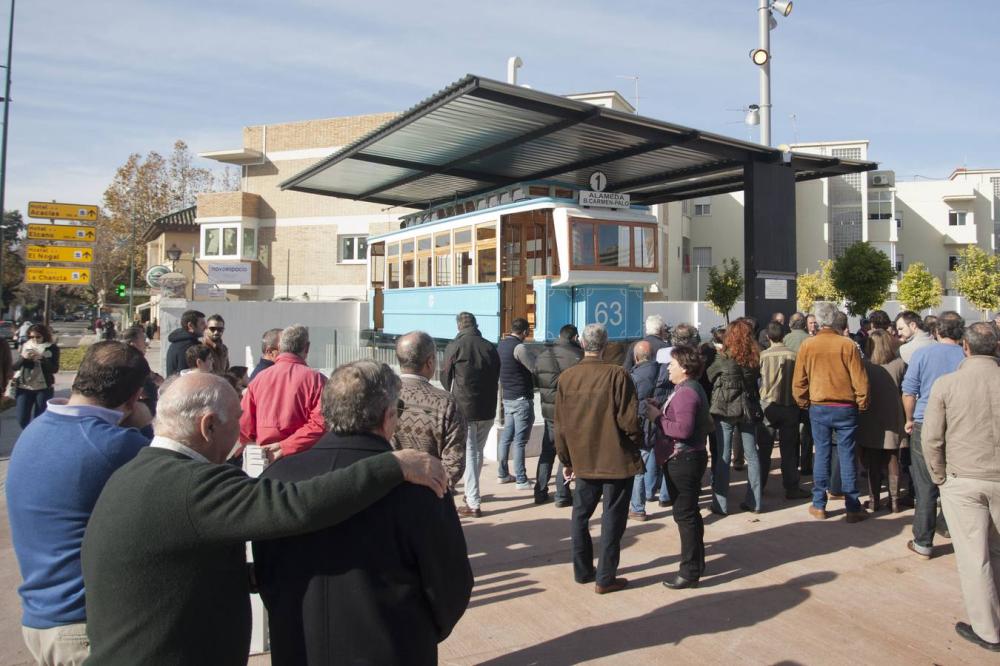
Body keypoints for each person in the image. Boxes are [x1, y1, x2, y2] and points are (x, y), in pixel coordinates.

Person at [80, 372, 449, 665]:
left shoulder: (136, 473)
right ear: (208, 426)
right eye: (238, 421)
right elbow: (297, 505)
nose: (242, 433)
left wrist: (254, 577)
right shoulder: (194, 485)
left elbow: (170, 566)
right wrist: (391, 465)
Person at [254, 360, 473, 665]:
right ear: (389, 416)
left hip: (299, 648)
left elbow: (266, 573)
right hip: (394, 649)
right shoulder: (421, 485)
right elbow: (451, 585)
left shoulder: (276, 478)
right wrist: (419, 632)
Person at [6, 342, 152, 666]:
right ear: (133, 397)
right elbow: (172, 468)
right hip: (82, 626)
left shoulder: (34, 431)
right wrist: (143, 422)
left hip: (41, 617)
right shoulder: (116, 445)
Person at [923, 322, 1000, 653]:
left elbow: (931, 438)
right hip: (978, 476)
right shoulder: (950, 382)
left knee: (975, 558)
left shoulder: (948, 384)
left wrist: (939, 476)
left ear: (965, 348)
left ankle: (989, 629)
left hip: (963, 479)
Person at [555, 323, 642, 594]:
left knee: (581, 515)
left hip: (584, 459)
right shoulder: (618, 375)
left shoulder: (568, 378)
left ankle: (583, 570)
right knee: (612, 519)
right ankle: (605, 576)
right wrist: (637, 443)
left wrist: (567, 460)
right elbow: (629, 421)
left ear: (582, 343)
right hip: (615, 459)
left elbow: (561, 426)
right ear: (605, 345)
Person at [792, 302, 869, 522]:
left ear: (817, 320)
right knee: (847, 455)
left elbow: (799, 381)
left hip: (819, 405)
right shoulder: (848, 345)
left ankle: (818, 505)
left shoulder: (808, 345)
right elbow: (860, 380)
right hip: (846, 407)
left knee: (822, 454)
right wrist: (862, 403)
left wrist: (804, 403)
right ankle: (852, 507)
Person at [645, 345, 713, 589]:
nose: (668, 369)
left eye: (672, 365)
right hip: (684, 459)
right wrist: (661, 409)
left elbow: (681, 430)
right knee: (689, 513)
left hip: (684, 461)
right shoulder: (685, 389)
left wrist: (656, 417)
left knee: (685, 515)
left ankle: (689, 571)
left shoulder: (686, 393)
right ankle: (696, 563)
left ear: (684, 368)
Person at [901, 310, 966, 558]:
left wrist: (909, 419)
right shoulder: (966, 356)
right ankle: (948, 526)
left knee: (925, 484)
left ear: (937, 331)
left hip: (925, 423)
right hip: (958, 425)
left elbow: (909, 391)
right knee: (954, 480)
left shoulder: (923, 354)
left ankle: (923, 541)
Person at [441, 312, 501, 518]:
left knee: (471, 454)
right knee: (476, 453)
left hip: (465, 409)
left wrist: (451, 393)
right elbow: (497, 374)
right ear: (476, 325)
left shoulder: (455, 346)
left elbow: (445, 375)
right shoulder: (489, 346)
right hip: (488, 408)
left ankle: (473, 502)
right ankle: (470, 494)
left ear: (459, 326)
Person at [240, 324, 326, 462]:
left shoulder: (258, 379)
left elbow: (244, 427)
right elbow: (321, 424)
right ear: (307, 347)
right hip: (303, 460)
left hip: (265, 459)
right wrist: (285, 446)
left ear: (279, 347)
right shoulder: (316, 380)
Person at [393, 331, 467, 488]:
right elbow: (454, 465)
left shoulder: (381, 395)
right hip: (431, 499)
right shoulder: (446, 403)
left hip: (386, 497)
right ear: (430, 361)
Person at [707, 319, 763, 515]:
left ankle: (720, 503)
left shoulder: (723, 358)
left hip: (725, 409)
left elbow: (710, 375)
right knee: (752, 454)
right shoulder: (754, 358)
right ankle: (755, 501)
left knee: (723, 454)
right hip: (748, 408)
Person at [856, 329, 907, 513]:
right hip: (893, 415)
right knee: (893, 457)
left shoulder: (864, 365)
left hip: (870, 414)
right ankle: (894, 501)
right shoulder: (900, 364)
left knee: (873, 460)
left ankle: (874, 500)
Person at [758, 321, 810, 500]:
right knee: (789, 450)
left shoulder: (763, 356)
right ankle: (791, 487)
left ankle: (759, 486)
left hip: (768, 406)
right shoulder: (794, 356)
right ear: (784, 335)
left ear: (767, 337)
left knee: (764, 450)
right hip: (790, 406)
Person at [532, 323, 582, 507]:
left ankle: (540, 491)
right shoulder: (578, 356)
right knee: (566, 452)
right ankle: (562, 494)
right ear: (575, 337)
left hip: (548, 412)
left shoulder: (543, 355)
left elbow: (535, 380)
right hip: (568, 413)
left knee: (547, 451)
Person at [496, 317, 535, 489]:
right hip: (521, 399)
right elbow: (534, 368)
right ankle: (521, 479)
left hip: (508, 398)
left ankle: (502, 474)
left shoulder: (502, 345)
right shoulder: (519, 347)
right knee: (520, 441)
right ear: (525, 332)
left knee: (506, 438)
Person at [628, 340, 662, 521]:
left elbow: (632, 404)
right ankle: (662, 495)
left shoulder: (634, 377)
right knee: (659, 459)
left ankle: (638, 507)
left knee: (640, 466)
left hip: (644, 425)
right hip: (660, 422)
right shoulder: (663, 370)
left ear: (636, 357)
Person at [13, 324, 60, 429]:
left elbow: (54, 369)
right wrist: (23, 358)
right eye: (31, 337)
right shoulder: (25, 346)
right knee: (22, 419)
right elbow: (15, 367)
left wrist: (42, 359)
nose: (34, 339)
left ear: (44, 336)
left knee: (40, 419)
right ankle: (27, 436)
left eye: (37, 337)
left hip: (43, 388)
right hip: (24, 387)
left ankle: (35, 440)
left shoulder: (51, 348)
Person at [123, 325, 163, 417]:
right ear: (133, 343)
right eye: (142, 340)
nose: (146, 343)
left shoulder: (133, 359)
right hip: (142, 410)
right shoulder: (135, 361)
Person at [165, 309, 206, 376]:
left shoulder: (177, 343)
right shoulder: (189, 346)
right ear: (190, 325)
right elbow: (186, 375)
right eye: (202, 323)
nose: (205, 326)